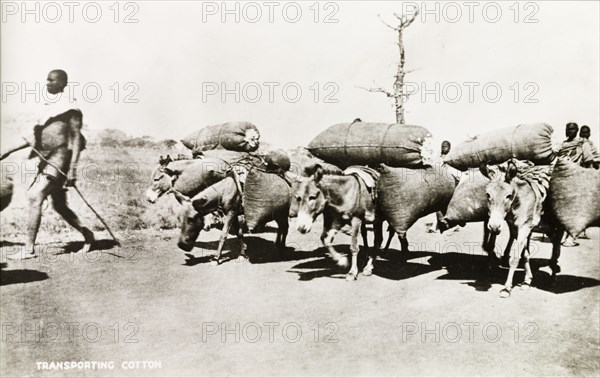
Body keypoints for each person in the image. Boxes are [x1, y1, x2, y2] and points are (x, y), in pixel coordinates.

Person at [0, 69, 94, 260]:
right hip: (46, 161)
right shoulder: (48, 109)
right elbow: (33, 139)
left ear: (62, 83)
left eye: (51, 80)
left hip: (60, 160)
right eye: (46, 80)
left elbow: (75, 140)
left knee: (35, 196)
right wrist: (7, 150)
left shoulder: (72, 109)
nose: (47, 83)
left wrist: (73, 170)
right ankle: (88, 235)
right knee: (59, 205)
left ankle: (28, 249)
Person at [557, 122, 595, 246]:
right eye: (567, 129)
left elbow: (588, 161)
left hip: (575, 177)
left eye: (572, 129)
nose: (569, 131)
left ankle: (571, 236)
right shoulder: (563, 144)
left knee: (574, 208)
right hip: (561, 177)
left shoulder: (583, 144)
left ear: (576, 130)